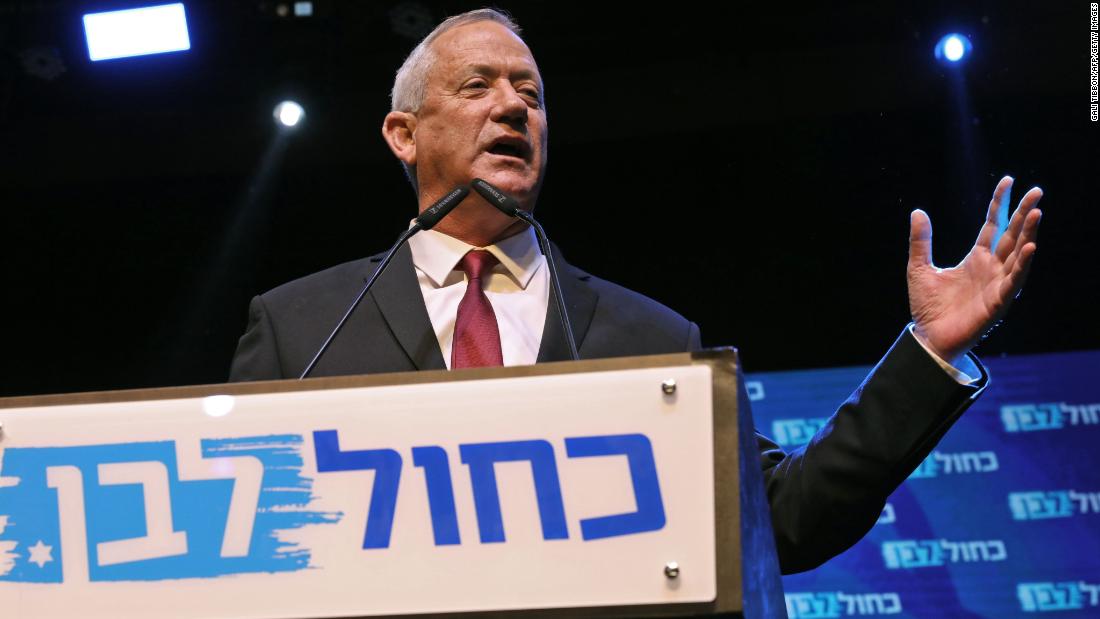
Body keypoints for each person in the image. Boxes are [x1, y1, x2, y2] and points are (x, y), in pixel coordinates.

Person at [229, 9, 1042, 574]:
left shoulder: (649, 337)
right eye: (478, 86)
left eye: (532, 93)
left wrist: (929, 351)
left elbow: (781, 519)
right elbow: (235, 539)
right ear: (403, 134)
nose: (514, 104)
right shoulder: (302, 326)